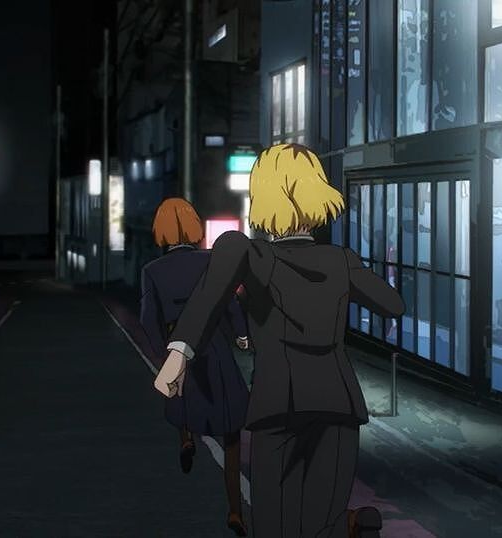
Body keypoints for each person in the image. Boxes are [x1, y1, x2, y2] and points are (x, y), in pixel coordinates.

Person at [154, 144, 404, 538]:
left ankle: (353, 524)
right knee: (324, 524)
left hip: (279, 406)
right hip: (337, 404)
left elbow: (210, 295)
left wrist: (179, 352)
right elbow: (393, 305)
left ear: (264, 195)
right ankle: (354, 525)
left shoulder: (249, 253)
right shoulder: (341, 260)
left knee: (274, 525)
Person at [139, 197, 251, 536]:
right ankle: (235, 511)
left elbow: (148, 319)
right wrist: (241, 334)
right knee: (231, 431)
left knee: (180, 394)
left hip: (179, 344)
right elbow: (229, 302)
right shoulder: (210, 261)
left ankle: (186, 439)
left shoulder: (152, 271)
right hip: (214, 345)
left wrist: (163, 351)